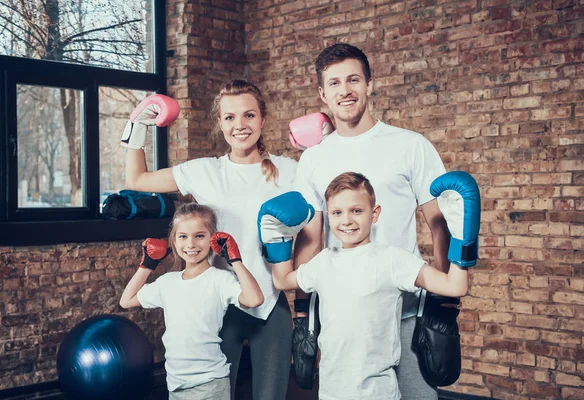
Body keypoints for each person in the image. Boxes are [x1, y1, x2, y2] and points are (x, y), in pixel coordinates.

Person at [291, 43, 451, 398]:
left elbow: (438, 223)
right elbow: (311, 238)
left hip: (408, 309)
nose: (344, 91)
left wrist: (444, 301)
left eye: (353, 80)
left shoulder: (410, 145)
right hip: (345, 312)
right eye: (333, 84)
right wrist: (303, 312)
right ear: (322, 93)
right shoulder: (313, 159)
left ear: (369, 84)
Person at [121, 79, 298, 399]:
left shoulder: (289, 171)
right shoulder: (204, 171)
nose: (240, 125)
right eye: (230, 117)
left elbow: (320, 224)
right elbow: (136, 179)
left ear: (263, 118)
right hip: (218, 306)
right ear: (220, 123)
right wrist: (138, 127)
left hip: (271, 303)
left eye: (249, 115)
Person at [265, 171, 478, 400]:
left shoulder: (393, 260)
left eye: (356, 210)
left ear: (374, 214)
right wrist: (277, 240)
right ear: (328, 216)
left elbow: (455, 287)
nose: (346, 220)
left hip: (378, 392)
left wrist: (462, 238)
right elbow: (282, 280)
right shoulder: (323, 262)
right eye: (337, 212)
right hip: (331, 392)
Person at [119, 202, 264, 400]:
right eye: (183, 237)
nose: (191, 244)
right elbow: (126, 301)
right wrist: (147, 265)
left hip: (210, 383)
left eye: (199, 236)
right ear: (174, 240)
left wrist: (235, 261)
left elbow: (255, 299)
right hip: (176, 384)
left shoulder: (219, 279)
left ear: (213, 238)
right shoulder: (167, 283)